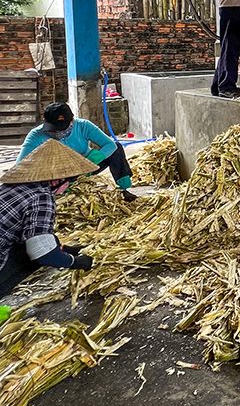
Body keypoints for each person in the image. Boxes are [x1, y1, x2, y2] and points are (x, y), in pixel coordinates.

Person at [0, 140, 97, 297]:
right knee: (36, 255)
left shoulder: (11, 186)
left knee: (45, 241)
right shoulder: (41, 197)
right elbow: (42, 253)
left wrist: (63, 248)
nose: (68, 187)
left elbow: (31, 229)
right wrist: (75, 262)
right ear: (56, 180)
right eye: (69, 181)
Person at [18, 102, 137, 202]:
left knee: (117, 147)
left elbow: (110, 145)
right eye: (55, 128)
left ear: (72, 121)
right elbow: (20, 164)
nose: (59, 132)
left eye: (63, 127)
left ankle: (123, 190)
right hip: (58, 174)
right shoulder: (36, 135)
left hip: (87, 167)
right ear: (46, 123)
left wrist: (92, 159)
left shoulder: (83, 126)